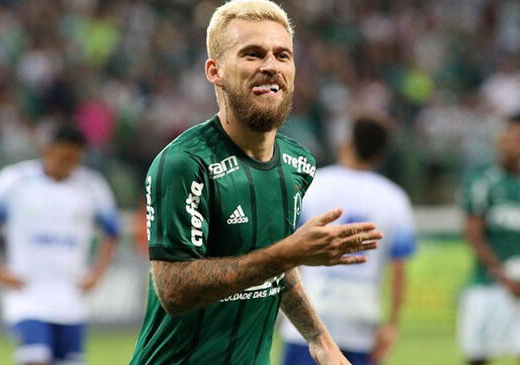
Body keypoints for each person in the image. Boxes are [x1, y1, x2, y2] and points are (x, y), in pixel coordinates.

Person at [129, 1, 382, 364]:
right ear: (215, 71)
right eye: (252, 54)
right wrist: (289, 251)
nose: (270, 66)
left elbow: (272, 264)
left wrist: (320, 341)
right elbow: (174, 289)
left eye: (282, 55)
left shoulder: (299, 164)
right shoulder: (184, 164)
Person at [0, 124, 119, 365]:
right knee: (35, 358)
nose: (68, 164)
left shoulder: (92, 185)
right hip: (28, 293)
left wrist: (96, 274)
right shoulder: (15, 180)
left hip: (71, 295)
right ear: (48, 150)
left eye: (75, 159)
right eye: (64, 157)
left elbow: (113, 231)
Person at [279, 115, 416, 365]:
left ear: (347, 142)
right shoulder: (395, 199)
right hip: (362, 323)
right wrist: (392, 325)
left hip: (308, 320)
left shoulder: (311, 185)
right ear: (379, 154)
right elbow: (399, 269)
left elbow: (287, 252)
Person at [458, 113, 520, 365]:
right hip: (488, 284)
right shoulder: (483, 183)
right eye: (510, 140)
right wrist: (503, 275)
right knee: (478, 356)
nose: (516, 146)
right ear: (499, 144)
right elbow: (473, 235)